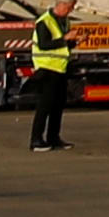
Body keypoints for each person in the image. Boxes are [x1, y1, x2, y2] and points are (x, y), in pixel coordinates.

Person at [25, 11, 72, 150]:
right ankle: (36, 140)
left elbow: (61, 46)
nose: (71, 10)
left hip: (59, 68)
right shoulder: (44, 21)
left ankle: (53, 138)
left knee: (57, 106)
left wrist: (73, 41)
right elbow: (44, 44)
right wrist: (65, 39)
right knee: (44, 106)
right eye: (70, 7)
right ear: (62, 5)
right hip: (46, 68)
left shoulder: (64, 21)